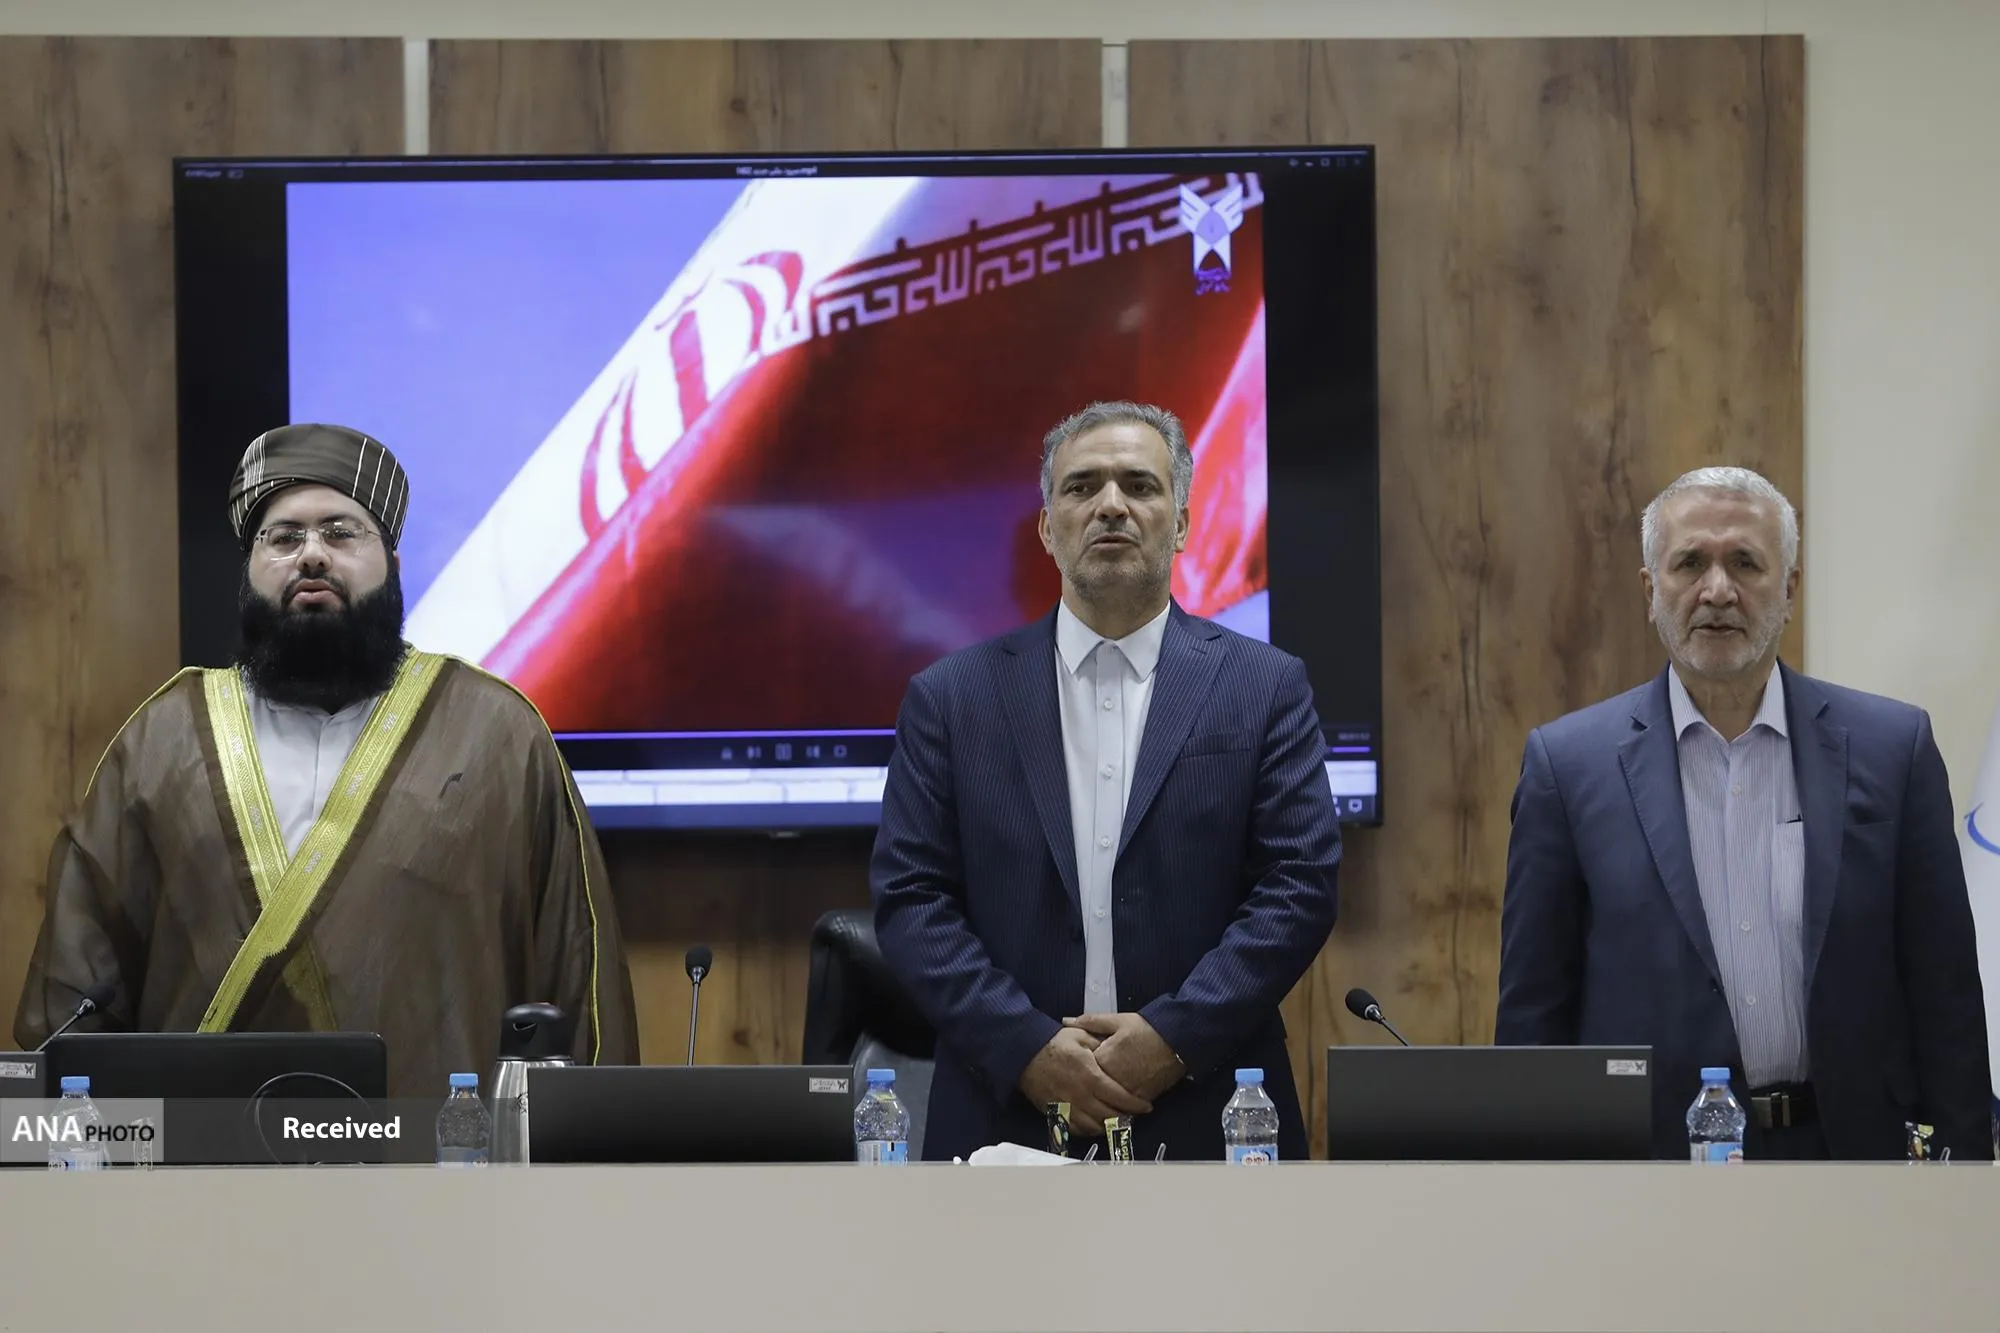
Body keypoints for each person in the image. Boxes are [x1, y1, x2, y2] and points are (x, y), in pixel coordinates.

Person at [13, 423, 639, 1096]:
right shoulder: (160, 741)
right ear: (248, 572)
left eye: (342, 533)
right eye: (283, 538)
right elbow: (77, 996)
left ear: (394, 565)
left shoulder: (498, 735)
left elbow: (578, 981)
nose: (312, 555)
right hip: (202, 1156)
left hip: (439, 1150)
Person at [870, 401, 1341, 1162]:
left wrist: (1172, 1037)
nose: (1111, 505)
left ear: (1181, 524)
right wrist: (1027, 1046)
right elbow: (911, 898)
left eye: (1140, 485)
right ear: (1047, 529)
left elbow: (1299, 885)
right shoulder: (950, 698)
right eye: (1082, 486)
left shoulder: (1265, 687)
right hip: (1004, 1115)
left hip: (1216, 1110)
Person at [1497, 466, 1991, 1160]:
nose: (1717, 590)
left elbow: (1946, 997)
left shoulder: (1893, 750)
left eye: (1746, 563)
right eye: (1690, 563)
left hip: (1852, 1165)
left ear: (1789, 590)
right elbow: (1534, 1019)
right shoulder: (1568, 767)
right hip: (1649, 1175)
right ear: (1650, 590)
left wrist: (1967, 1178)